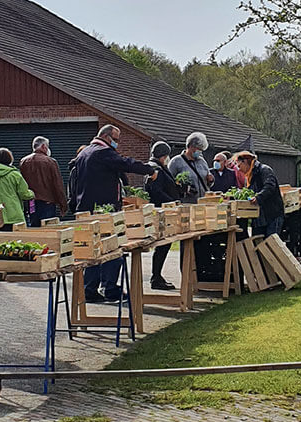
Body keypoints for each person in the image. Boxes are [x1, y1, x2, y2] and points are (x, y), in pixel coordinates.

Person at [74, 125, 157, 303]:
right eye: (116, 139)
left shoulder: (84, 152)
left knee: (93, 250)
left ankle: (91, 288)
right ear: (105, 136)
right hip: (104, 210)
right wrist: (149, 169)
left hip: (86, 208)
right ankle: (110, 288)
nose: (117, 143)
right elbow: (126, 163)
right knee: (114, 247)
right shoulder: (102, 152)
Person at [144, 141, 183, 291]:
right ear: (163, 155)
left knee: (164, 245)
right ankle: (156, 277)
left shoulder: (159, 167)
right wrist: (173, 202)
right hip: (162, 212)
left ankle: (157, 276)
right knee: (162, 245)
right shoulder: (155, 168)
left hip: (164, 210)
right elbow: (156, 191)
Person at [0, 148, 35, 232]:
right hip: (14, 215)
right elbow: (24, 194)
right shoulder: (15, 175)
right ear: (10, 159)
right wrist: (32, 193)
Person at [19, 136, 68, 227]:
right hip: (47, 202)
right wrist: (63, 204)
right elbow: (57, 184)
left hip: (31, 202)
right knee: (48, 228)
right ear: (43, 147)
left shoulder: (24, 161)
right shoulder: (50, 161)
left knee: (34, 227)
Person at [234, 151, 283, 237]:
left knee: (271, 244)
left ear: (245, 161)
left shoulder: (264, 170)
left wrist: (258, 197)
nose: (239, 169)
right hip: (259, 218)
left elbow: (270, 186)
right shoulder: (249, 176)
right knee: (258, 244)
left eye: (239, 166)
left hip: (272, 215)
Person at [168, 132, 213, 203]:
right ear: (191, 146)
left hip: (203, 202)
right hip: (186, 203)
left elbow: (208, 181)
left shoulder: (202, 161)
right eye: (198, 149)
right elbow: (169, 183)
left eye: (201, 150)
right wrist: (183, 188)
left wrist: (210, 180)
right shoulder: (176, 162)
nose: (200, 152)